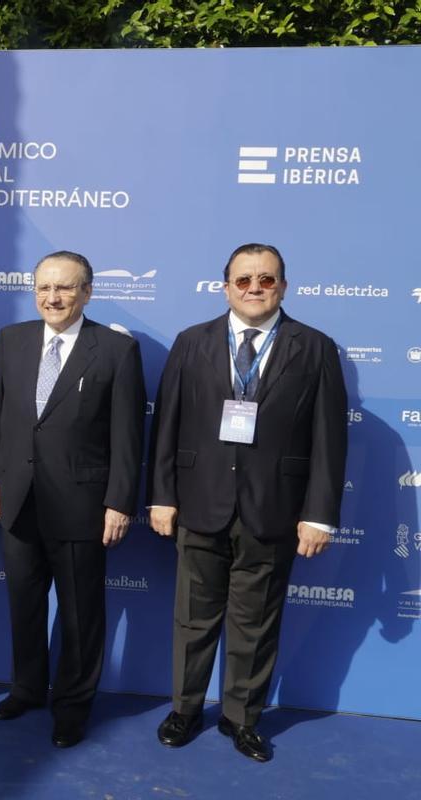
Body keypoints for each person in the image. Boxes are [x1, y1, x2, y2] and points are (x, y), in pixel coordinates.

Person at [148, 243, 347, 762]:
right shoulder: (192, 343)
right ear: (225, 286)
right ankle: (185, 710)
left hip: (274, 509)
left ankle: (241, 718)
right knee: (193, 618)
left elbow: (329, 439)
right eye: (243, 280)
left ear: (283, 285)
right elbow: (165, 425)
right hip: (198, 504)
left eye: (266, 279)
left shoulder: (316, 347)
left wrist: (319, 513)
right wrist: (162, 496)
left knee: (256, 623)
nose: (254, 288)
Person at [0, 250, 145, 747]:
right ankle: (27, 688)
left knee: (80, 613)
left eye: (65, 288)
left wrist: (119, 501)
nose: (52, 297)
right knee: (24, 605)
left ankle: (73, 705)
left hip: (82, 504)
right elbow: (1, 416)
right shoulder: (12, 340)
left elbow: (127, 434)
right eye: (44, 288)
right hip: (18, 499)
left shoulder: (116, 350)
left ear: (87, 292)